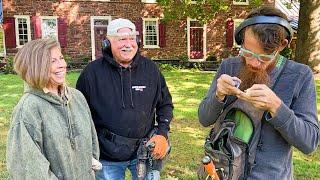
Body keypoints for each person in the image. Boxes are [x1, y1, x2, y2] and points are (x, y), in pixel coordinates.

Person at [198, 6, 319, 180]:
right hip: (223, 172)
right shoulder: (229, 66)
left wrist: (276, 107)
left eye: (264, 57)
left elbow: (309, 143)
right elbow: (204, 118)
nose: (254, 63)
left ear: (282, 45)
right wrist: (218, 95)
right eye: (247, 52)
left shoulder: (300, 75)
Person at [76, 18, 173, 180]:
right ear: (108, 42)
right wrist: (86, 149)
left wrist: (162, 133)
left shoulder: (151, 69)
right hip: (107, 157)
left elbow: (165, 104)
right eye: (121, 39)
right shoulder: (91, 74)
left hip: (145, 152)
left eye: (131, 38)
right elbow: (78, 115)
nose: (128, 44)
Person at [6, 39, 100, 179]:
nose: (62, 65)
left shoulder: (77, 97)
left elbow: (92, 142)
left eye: (61, 58)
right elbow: (29, 169)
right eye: (52, 61)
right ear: (36, 67)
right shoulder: (28, 109)